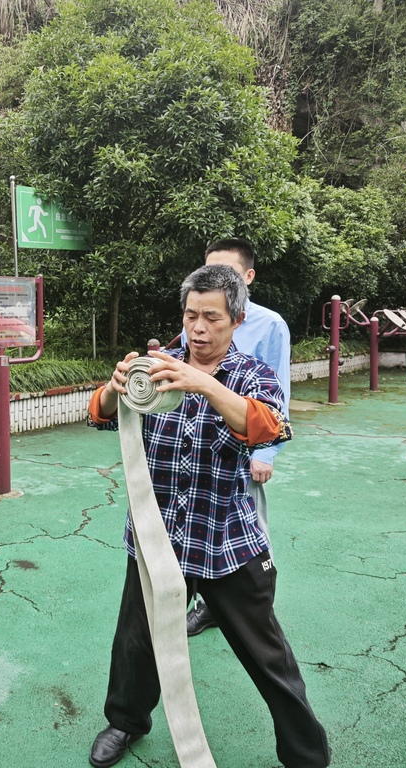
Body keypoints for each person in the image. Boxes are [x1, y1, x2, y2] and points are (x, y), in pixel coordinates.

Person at [86, 265, 328, 768]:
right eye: (191, 315)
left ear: (236, 320)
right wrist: (113, 388)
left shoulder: (250, 375)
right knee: (137, 642)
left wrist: (204, 384)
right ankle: (125, 721)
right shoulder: (157, 366)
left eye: (212, 318)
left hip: (226, 541)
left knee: (268, 656)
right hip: (157, 538)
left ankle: (306, 752)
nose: (198, 328)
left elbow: (269, 428)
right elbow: (102, 414)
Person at [185, 237, 292, 635]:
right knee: (197, 522)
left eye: (227, 272)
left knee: (248, 526)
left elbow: (277, 394)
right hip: (201, 444)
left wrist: (266, 452)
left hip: (246, 440)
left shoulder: (269, 324)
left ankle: (257, 605)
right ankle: (206, 604)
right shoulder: (199, 315)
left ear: (248, 277)